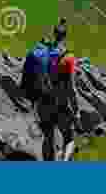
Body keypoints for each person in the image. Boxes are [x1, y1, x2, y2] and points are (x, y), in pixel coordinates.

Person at [19, 19, 81, 161]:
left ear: (54, 33)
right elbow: (71, 88)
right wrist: (76, 111)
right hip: (60, 104)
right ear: (65, 36)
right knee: (69, 137)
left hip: (43, 100)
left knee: (48, 136)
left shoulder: (45, 50)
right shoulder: (68, 58)